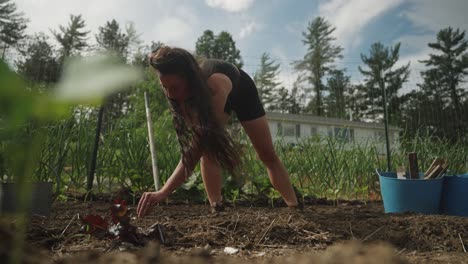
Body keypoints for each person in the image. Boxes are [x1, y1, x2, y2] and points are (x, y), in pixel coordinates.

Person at [137, 46, 298, 217]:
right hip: (205, 94)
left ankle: (294, 207)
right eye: (165, 87)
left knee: (266, 154)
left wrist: (163, 191)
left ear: (189, 79)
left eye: (174, 87)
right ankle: (217, 208)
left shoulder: (214, 85)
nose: (170, 94)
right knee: (209, 151)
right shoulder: (176, 90)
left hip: (242, 91)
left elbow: (194, 150)